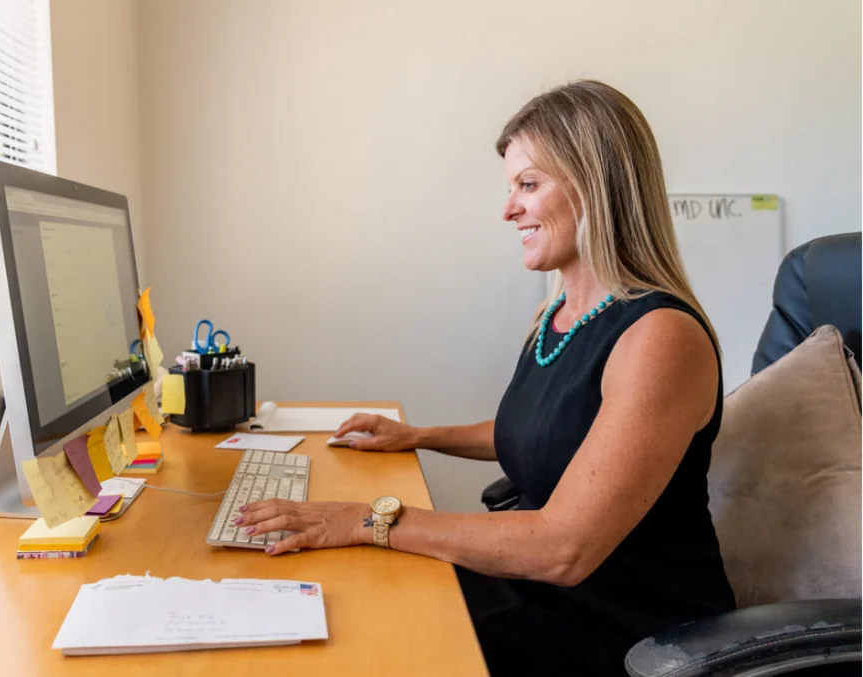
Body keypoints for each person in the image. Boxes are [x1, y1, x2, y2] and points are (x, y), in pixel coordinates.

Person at [236, 80, 736, 675]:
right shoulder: (557, 314)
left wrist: (368, 518)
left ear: (596, 187)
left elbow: (563, 549)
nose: (509, 209)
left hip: (623, 637)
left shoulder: (660, 338)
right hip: (541, 595)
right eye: (510, 189)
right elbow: (541, 430)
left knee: (369, 639)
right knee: (346, 600)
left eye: (528, 184)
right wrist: (418, 436)